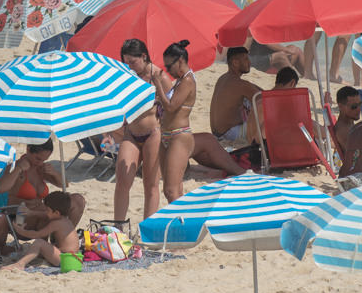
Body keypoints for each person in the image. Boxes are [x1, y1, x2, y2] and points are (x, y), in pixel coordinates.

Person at [156, 41, 246, 200]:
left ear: (181, 61)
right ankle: (180, 219)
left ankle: (180, 221)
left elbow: (171, 107)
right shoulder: (180, 81)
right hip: (168, 135)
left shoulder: (188, 80)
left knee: (171, 190)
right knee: (172, 189)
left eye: (169, 66)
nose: (167, 70)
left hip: (179, 136)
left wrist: (158, 86)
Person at [112, 39, 163, 224]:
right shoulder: (126, 76)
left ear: (144, 56)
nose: (130, 67)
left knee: (151, 185)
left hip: (153, 133)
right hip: (131, 133)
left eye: (133, 62)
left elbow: (175, 107)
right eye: (126, 63)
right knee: (122, 182)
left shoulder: (159, 76)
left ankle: (147, 230)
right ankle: (118, 227)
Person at [8, 192, 85, 271]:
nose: (46, 213)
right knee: (43, 247)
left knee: (39, 243)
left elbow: (37, 234)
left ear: (56, 213)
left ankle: (20, 264)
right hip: (74, 259)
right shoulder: (66, 221)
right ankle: (29, 258)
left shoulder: (56, 223)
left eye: (47, 210)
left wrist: (20, 231)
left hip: (66, 259)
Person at [209, 44, 263, 149]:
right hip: (230, 134)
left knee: (248, 101)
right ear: (235, 63)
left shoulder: (223, 78)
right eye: (246, 59)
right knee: (264, 112)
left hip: (217, 133)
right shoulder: (241, 84)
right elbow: (264, 98)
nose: (249, 62)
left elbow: (252, 87)